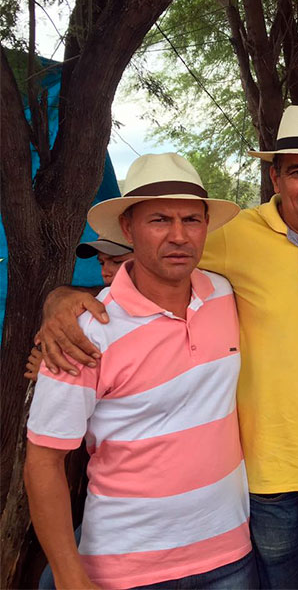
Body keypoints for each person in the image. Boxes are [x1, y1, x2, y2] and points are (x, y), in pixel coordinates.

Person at [35, 106, 298, 589]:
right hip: (268, 484)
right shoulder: (233, 236)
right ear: (275, 177)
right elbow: (151, 263)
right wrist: (61, 299)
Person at [24, 153, 255, 589]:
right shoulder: (84, 330)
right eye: (159, 220)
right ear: (128, 228)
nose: (178, 235)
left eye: (191, 219)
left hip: (229, 556)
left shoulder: (224, 295)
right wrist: (70, 575)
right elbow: (44, 461)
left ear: (206, 226)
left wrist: (58, 294)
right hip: (125, 570)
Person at [24, 239, 133, 382]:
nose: (105, 272)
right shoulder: (100, 301)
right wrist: (57, 297)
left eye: (117, 261)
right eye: (101, 263)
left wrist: (53, 375)